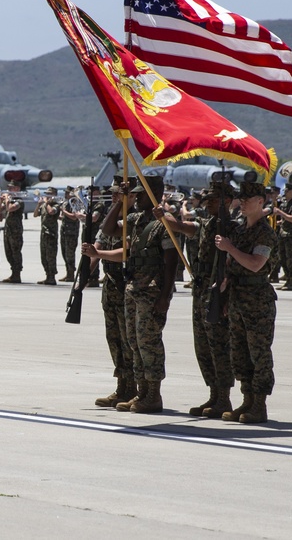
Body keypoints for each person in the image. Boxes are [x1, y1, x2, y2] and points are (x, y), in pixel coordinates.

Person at [83, 175, 177, 413]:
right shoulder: (136, 219)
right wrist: (120, 201)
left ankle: (153, 394)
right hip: (133, 288)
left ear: (154, 194)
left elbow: (171, 262)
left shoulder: (164, 221)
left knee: (149, 343)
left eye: (140, 194)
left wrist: (165, 296)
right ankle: (141, 392)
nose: (136, 198)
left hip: (152, 290)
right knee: (134, 343)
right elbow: (109, 229)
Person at [160, 181, 236, 418]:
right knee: (203, 345)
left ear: (227, 201)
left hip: (218, 292)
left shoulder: (232, 227)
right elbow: (183, 227)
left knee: (219, 345)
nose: (208, 203)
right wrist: (163, 214)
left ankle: (224, 398)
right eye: (207, 199)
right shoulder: (207, 223)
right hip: (201, 290)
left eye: (213, 199)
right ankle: (214, 394)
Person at [215, 180, 278, 424]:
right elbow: (235, 265)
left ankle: (259, 405)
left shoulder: (265, 233)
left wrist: (230, 248)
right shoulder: (240, 230)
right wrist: (225, 280)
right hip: (238, 298)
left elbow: (255, 264)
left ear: (261, 201)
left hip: (258, 301)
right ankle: (247, 400)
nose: (242, 202)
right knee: (239, 353)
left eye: (248, 199)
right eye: (241, 198)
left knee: (259, 353)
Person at [90, 176, 135, 408]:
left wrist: (97, 255)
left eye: (120, 194)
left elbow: (125, 250)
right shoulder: (110, 218)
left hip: (126, 284)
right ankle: (122, 387)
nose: (115, 197)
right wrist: (84, 275)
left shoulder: (133, 219)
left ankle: (134, 388)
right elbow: (99, 243)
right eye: (114, 194)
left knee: (129, 341)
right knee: (114, 339)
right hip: (110, 285)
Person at [272, 183, 292, 290]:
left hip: (291, 236)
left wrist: (280, 212)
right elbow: (285, 219)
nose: (284, 192)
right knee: (282, 258)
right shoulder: (285, 204)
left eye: (287, 190)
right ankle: (288, 279)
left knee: (290, 259)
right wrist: (280, 222)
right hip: (283, 234)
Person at [0, 182, 25, 283]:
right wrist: (1, 201)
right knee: (8, 252)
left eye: (12, 188)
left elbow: (10, 208)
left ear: (17, 188)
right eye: (9, 188)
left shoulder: (19, 201)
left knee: (15, 252)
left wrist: (6, 200)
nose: (9, 190)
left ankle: (17, 274)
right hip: (8, 230)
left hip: (16, 231)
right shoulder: (9, 200)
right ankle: (13, 273)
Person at [34, 187, 60, 285]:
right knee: (44, 256)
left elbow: (51, 212)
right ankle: (47, 275)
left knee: (51, 256)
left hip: (51, 234)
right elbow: (35, 214)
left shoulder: (56, 205)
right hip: (44, 234)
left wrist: (47, 203)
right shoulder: (44, 205)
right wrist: (39, 204)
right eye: (47, 194)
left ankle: (52, 277)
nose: (48, 196)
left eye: (50, 194)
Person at [59, 186, 80, 283]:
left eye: (67, 193)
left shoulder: (74, 203)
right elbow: (64, 216)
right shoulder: (66, 203)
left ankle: (71, 274)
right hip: (65, 231)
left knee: (70, 254)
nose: (65, 194)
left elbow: (74, 217)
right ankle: (68, 273)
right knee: (64, 253)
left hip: (71, 232)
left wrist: (64, 211)